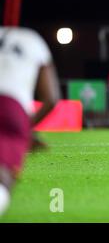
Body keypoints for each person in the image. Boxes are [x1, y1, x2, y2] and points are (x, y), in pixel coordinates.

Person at [0, 26, 60, 217]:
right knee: (4, 177)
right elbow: (51, 98)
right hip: (11, 108)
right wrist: (25, 130)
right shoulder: (31, 38)